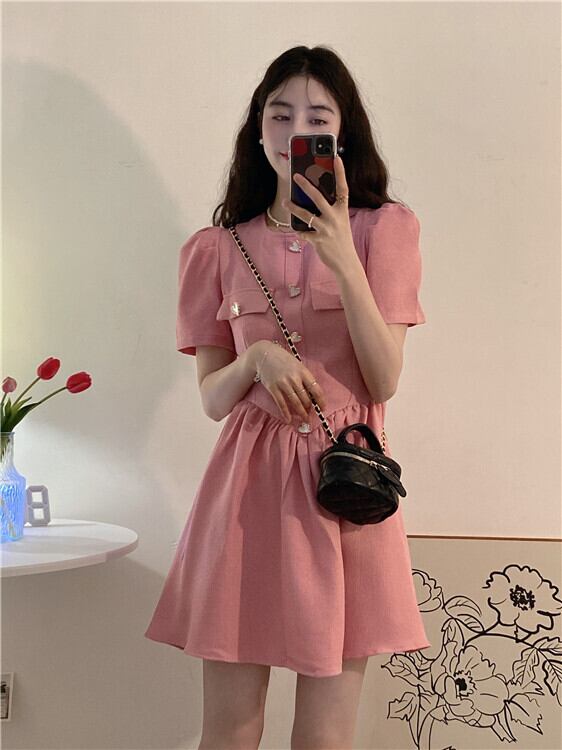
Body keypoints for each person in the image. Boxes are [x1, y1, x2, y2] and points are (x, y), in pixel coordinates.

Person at [145, 45, 431, 750]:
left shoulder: (384, 230)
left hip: (343, 496)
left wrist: (342, 256)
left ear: (343, 133)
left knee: (325, 738)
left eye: (317, 117)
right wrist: (257, 359)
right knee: (229, 733)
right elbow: (213, 398)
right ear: (258, 128)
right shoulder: (217, 247)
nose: (295, 129)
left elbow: (384, 378)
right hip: (244, 497)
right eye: (279, 114)